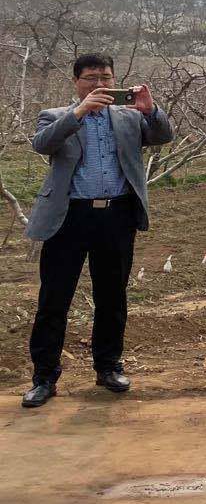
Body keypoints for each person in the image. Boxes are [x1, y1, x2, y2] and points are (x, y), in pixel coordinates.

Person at [21, 53, 173, 408]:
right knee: (54, 299)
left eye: (106, 77)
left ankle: (108, 367)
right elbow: (42, 144)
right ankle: (44, 377)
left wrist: (150, 109)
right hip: (68, 217)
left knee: (112, 297)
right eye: (91, 78)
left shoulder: (129, 117)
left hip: (117, 216)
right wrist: (80, 112)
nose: (100, 85)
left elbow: (163, 135)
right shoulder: (57, 116)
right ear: (76, 82)